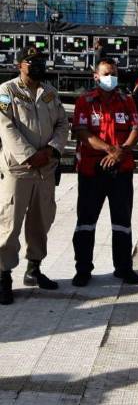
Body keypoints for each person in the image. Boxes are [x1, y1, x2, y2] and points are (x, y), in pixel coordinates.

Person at [0, 47, 68, 305]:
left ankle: (34, 269)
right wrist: (30, 155)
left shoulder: (50, 92)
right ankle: (3, 275)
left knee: (42, 220)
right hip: (19, 169)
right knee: (9, 223)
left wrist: (52, 149)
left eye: (40, 61)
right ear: (20, 65)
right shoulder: (7, 91)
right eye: (31, 62)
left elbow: (62, 123)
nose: (37, 65)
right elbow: (4, 125)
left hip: (45, 168)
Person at [71, 58, 138, 287]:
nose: (110, 77)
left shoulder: (127, 100)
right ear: (96, 76)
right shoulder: (85, 101)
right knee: (86, 222)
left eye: (113, 72)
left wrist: (121, 151)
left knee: (122, 221)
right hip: (92, 171)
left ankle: (123, 267)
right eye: (105, 73)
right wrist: (110, 149)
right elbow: (81, 131)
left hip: (121, 170)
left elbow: (135, 128)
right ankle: (83, 269)